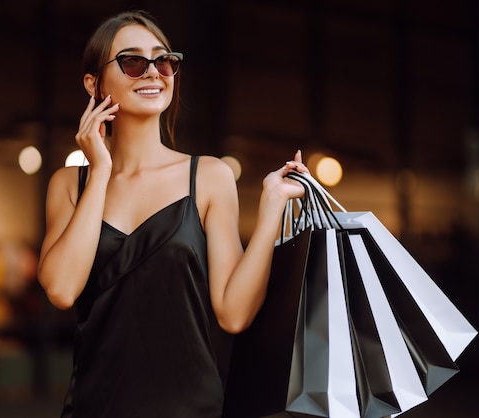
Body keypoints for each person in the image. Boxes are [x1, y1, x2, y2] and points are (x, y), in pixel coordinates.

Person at [37, 10, 307, 418]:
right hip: (94, 407)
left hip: (190, 408)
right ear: (93, 83)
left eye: (163, 61)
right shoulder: (69, 185)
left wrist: (271, 207)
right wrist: (101, 173)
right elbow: (60, 289)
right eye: (132, 62)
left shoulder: (210, 177)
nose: (152, 73)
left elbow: (233, 314)